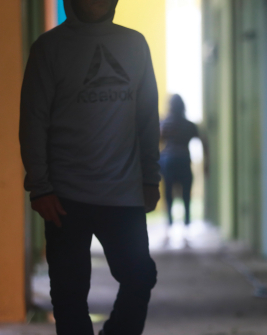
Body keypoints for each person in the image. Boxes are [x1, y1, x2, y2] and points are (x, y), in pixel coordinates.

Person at [19, 0, 160, 334]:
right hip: (64, 198)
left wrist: (150, 177)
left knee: (140, 276)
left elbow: (147, 118)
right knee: (68, 296)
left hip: (123, 193)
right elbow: (33, 121)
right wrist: (40, 186)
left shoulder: (135, 44)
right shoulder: (48, 49)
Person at [159, 94, 205, 227]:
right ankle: (187, 219)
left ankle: (169, 219)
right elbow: (204, 141)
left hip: (167, 161)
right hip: (184, 159)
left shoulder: (164, 122)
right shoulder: (189, 125)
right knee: (186, 191)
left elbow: (156, 141)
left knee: (168, 191)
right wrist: (207, 164)